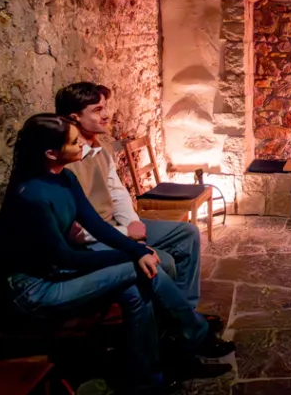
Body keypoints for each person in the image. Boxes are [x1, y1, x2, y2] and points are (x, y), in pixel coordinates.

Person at [0, 114, 233, 395]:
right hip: (39, 288)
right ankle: (195, 334)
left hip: (61, 270)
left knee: (135, 288)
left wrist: (138, 249)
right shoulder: (31, 197)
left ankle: (149, 376)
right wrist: (128, 257)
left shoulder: (64, 178)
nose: (83, 144)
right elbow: (62, 261)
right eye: (74, 141)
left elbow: (96, 225)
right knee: (140, 269)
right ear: (51, 153)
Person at [54, 82, 210, 322]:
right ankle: (176, 320)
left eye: (105, 107)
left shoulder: (99, 148)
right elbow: (77, 231)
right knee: (164, 261)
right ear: (74, 118)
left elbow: (117, 191)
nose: (106, 115)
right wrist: (125, 233)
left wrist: (134, 223)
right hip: (94, 238)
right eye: (97, 110)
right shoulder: (65, 160)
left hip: (114, 225)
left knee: (187, 233)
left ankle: (184, 312)